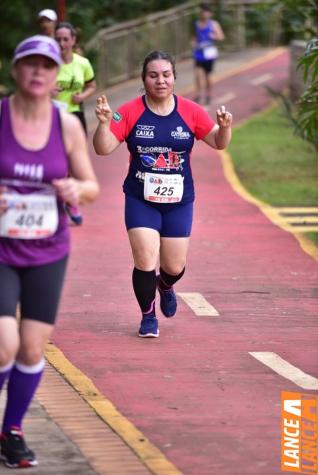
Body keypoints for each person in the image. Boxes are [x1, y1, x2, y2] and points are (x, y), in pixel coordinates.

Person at [0, 35, 99, 468]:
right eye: (30, 64)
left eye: (47, 65)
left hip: (48, 250)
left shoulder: (68, 125)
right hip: (1, 249)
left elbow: (92, 186)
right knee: (4, 343)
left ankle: (12, 430)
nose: (38, 72)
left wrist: (77, 188)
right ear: (16, 70)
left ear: (57, 75)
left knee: (32, 349)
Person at [93, 50, 232, 338]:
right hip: (140, 198)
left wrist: (226, 128)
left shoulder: (191, 111)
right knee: (145, 258)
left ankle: (166, 285)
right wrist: (104, 124)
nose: (160, 81)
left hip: (178, 201)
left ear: (174, 78)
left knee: (174, 266)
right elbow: (103, 148)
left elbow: (218, 142)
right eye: (153, 75)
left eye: (166, 75)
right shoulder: (130, 111)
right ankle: (148, 316)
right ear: (144, 80)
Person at [54, 22, 97, 225]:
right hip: (52, 116)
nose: (61, 43)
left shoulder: (83, 63)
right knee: (56, 161)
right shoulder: (49, 63)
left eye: (65, 39)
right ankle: (55, 201)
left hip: (75, 116)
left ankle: (71, 201)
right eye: (58, 39)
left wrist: (83, 96)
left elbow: (92, 85)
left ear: (73, 41)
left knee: (74, 161)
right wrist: (48, 92)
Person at [192, 2, 225, 105]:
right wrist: (193, 43)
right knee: (198, 75)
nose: (203, 14)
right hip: (199, 53)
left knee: (208, 75)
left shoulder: (213, 24)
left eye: (206, 12)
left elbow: (221, 37)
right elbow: (194, 37)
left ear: (210, 13)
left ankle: (208, 95)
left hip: (209, 53)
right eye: (202, 12)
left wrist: (213, 36)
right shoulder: (197, 24)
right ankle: (198, 95)